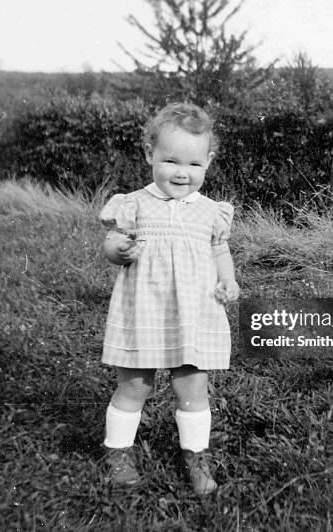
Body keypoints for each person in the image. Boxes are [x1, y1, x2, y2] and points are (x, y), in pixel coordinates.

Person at [98, 102, 240, 495]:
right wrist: (118, 250)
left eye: (194, 164)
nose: (182, 173)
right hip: (144, 310)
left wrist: (228, 280)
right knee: (135, 385)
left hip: (193, 315)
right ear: (149, 155)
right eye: (171, 161)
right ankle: (118, 453)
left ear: (208, 162)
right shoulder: (134, 203)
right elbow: (112, 242)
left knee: (193, 387)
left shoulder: (211, 211)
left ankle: (196, 457)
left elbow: (219, 250)